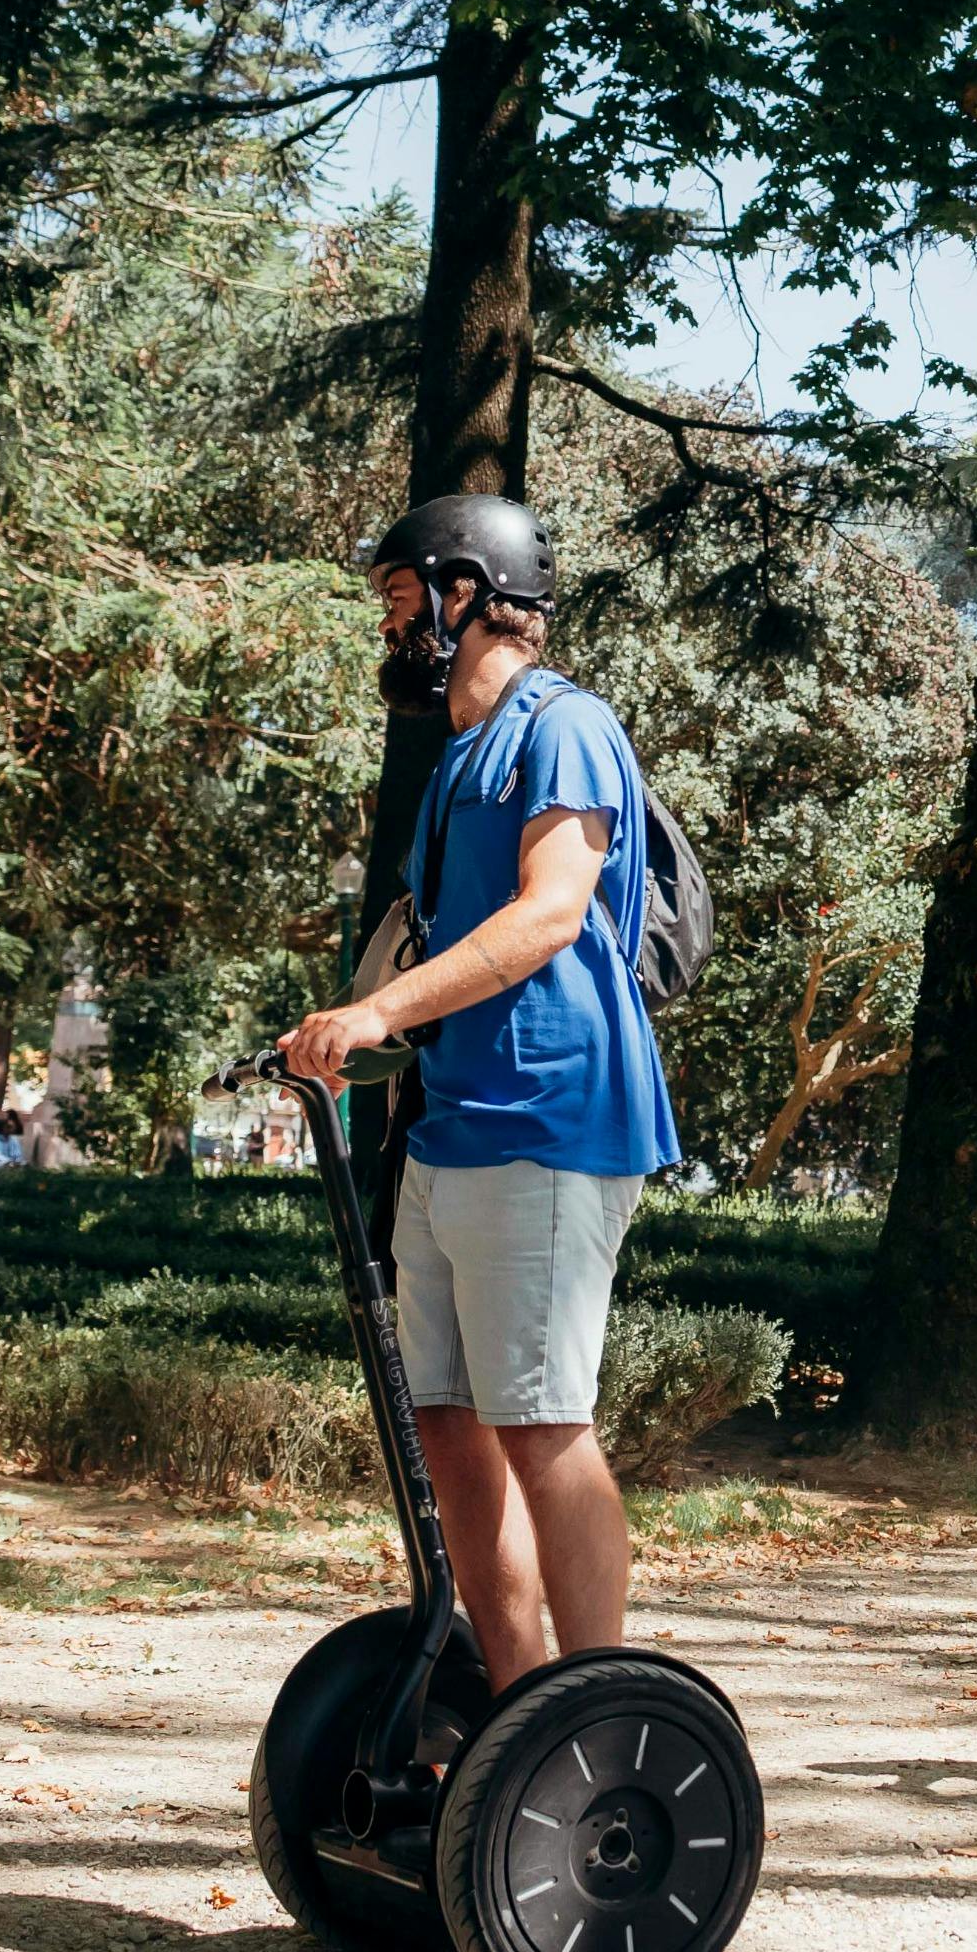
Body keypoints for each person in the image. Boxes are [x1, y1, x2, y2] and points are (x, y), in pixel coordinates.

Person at [281, 493, 682, 1686]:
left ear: (468, 592)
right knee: (449, 1426)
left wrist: (378, 1014)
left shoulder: (566, 728)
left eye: (402, 597)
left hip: (551, 1117)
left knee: (542, 1424)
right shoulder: (458, 757)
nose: (388, 622)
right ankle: (519, 1714)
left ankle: (597, 1715)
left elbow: (549, 914)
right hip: (450, 1127)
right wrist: (349, 1023)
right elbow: (429, 949)